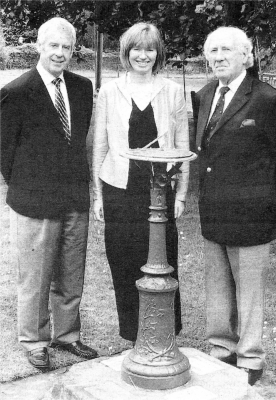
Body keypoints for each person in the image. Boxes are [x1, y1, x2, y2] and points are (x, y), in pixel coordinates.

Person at [195, 27, 276, 385]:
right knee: (217, 286)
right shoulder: (206, 93)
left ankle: (251, 356)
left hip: (253, 214)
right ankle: (221, 347)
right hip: (214, 210)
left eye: (227, 50)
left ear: (246, 55)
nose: (219, 56)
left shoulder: (267, 100)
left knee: (250, 289)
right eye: (213, 51)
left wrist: (267, 199)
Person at [0, 17, 98, 370]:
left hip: (74, 196)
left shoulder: (83, 87)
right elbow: (4, 154)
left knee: (72, 273)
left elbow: (79, 142)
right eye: (53, 45)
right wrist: (27, 186)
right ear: (39, 46)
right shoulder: (16, 91)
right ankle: (34, 340)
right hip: (34, 199)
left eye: (66, 47)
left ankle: (67, 335)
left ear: (73, 50)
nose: (60, 52)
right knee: (36, 276)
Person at [93, 22, 189, 344]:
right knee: (123, 261)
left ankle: (163, 335)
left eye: (150, 49)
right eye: (137, 48)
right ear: (126, 52)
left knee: (164, 263)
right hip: (119, 190)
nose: (143, 55)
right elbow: (100, 148)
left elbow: (182, 145)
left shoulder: (173, 90)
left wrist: (182, 195)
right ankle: (134, 338)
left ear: (158, 53)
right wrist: (97, 196)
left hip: (159, 192)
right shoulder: (109, 91)